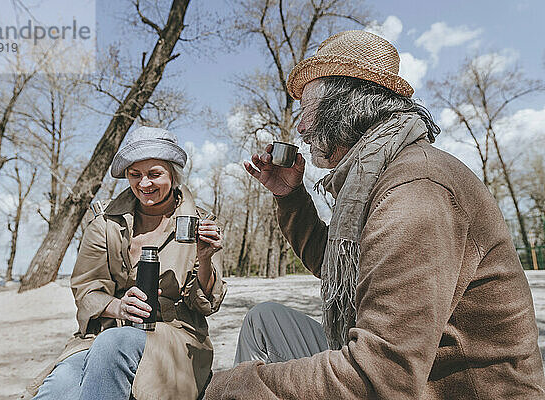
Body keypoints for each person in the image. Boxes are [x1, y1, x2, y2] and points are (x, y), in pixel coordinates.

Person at [204, 30, 545, 399]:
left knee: (244, 383)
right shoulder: (374, 174)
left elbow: (381, 378)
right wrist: (291, 198)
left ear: (343, 105)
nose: (300, 128)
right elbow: (340, 264)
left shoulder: (417, 190)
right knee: (265, 320)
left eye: (305, 110)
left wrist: (225, 386)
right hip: (415, 372)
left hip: (453, 388)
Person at [28, 126, 227, 400]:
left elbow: (207, 304)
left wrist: (204, 258)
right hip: (104, 332)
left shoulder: (200, 223)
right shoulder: (104, 223)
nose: (144, 184)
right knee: (56, 389)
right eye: (135, 175)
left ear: (173, 174)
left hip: (174, 336)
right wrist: (118, 306)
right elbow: (86, 290)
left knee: (115, 345)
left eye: (154, 174)